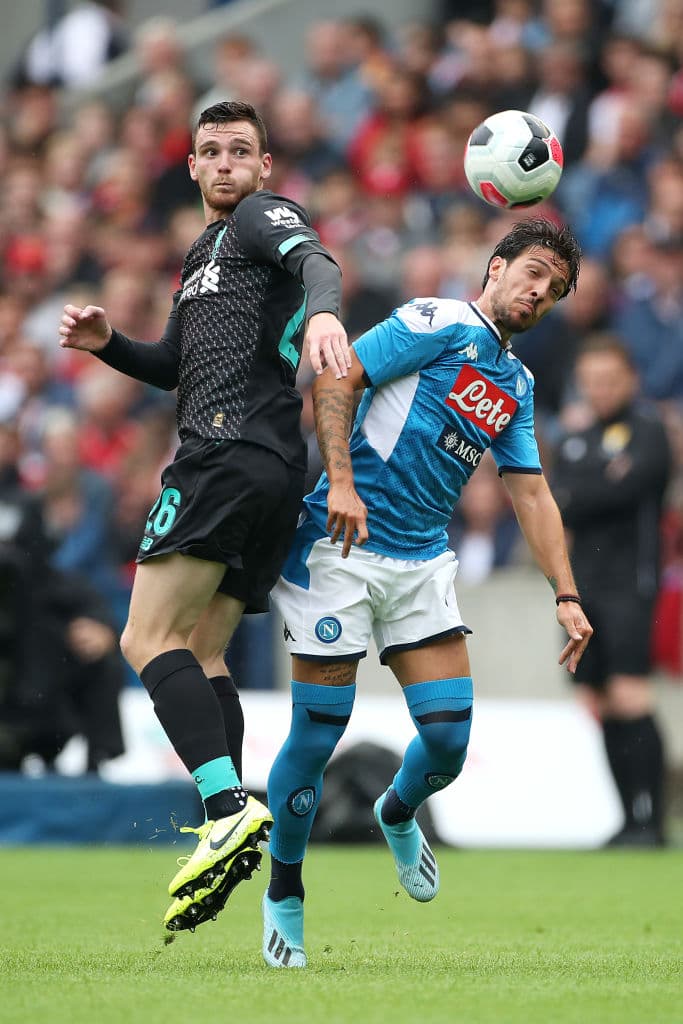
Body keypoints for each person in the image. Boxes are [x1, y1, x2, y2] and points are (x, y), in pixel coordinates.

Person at [260, 218, 593, 968]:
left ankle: (397, 809)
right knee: (318, 736)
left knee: (446, 743)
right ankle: (285, 893)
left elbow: (530, 492)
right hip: (338, 550)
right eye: (534, 273)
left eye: (556, 289)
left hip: (418, 564)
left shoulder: (517, 382)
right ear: (498, 267)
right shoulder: (434, 320)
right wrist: (341, 482)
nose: (540, 293)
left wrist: (565, 595)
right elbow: (338, 376)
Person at [57, 100, 350, 935]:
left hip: (222, 455)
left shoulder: (262, 218)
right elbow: (175, 365)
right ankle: (227, 814)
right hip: (264, 465)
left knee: (144, 639)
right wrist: (114, 343)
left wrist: (325, 308)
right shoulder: (203, 254)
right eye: (210, 151)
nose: (224, 163)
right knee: (203, 649)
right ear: (190, 166)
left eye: (240, 151)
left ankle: (225, 810)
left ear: (264, 168)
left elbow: (318, 262)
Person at [552, 334, 671, 847]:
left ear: (630, 382)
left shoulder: (648, 431)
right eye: (591, 382)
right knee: (599, 699)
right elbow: (561, 501)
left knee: (630, 695)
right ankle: (627, 819)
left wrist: (586, 488)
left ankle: (653, 820)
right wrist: (593, 485)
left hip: (631, 584)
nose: (600, 391)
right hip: (583, 587)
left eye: (609, 381)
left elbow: (625, 487)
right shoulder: (575, 438)